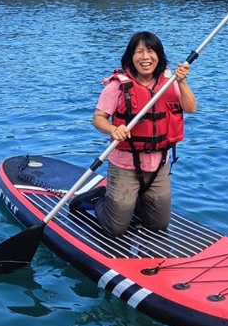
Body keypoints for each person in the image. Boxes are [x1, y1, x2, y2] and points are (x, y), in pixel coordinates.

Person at [70, 31, 196, 236]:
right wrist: (113, 129)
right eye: (139, 52)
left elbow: (190, 108)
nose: (145, 57)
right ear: (131, 57)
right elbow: (98, 118)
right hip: (125, 165)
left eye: (151, 51)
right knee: (115, 229)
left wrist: (182, 81)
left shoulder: (170, 81)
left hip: (158, 164)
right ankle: (99, 199)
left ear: (159, 56)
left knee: (158, 225)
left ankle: (133, 202)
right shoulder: (117, 86)